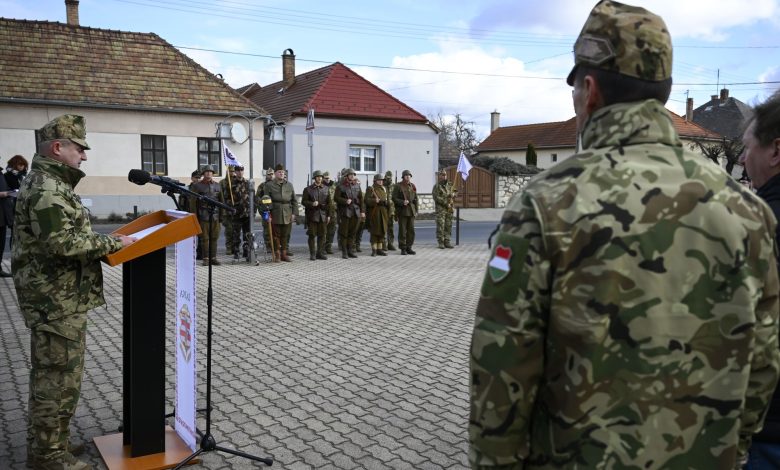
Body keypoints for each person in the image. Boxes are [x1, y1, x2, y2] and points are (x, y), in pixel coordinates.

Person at [469, 2, 780, 469]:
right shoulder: (747, 211)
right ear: (663, 90)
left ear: (589, 91)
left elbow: (502, 362)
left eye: (575, 88)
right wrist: (730, 450)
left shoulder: (544, 204)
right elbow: (764, 359)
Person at [12, 115, 134, 470]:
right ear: (57, 147)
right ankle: (48, 456)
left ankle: (52, 443)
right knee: (56, 379)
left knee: (58, 377)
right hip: (55, 301)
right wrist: (114, 243)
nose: (83, 155)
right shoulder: (47, 189)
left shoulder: (50, 182)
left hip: (59, 297)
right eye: (79, 148)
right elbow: (62, 243)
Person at [741, 90, 780, 470]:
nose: (741, 158)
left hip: (768, 433)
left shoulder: (757, 226)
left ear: (776, 150)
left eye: (747, 146)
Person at [262, 164, 298, 262]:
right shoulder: (269, 185)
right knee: (276, 235)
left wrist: (294, 213)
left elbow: (294, 200)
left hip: (287, 212)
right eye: (279, 172)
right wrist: (267, 215)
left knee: (285, 234)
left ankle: (284, 254)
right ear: (275, 173)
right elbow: (265, 201)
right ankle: (277, 253)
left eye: (283, 172)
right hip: (275, 212)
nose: (281, 173)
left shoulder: (289, 185)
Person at [190, 165, 223, 266]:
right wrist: (195, 217)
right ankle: (205, 258)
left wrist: (222, 216)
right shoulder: (197, 186)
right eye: (207, 171)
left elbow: (221, 202)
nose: (209, 173)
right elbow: (193, 203)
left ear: (213, 173)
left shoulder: (218, 186)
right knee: (204, 238)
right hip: (203, 216)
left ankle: (213, 258)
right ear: (203, 173)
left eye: (211, 172)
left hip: (215, 216)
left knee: (214, 238)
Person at [301, 170, 332, 260]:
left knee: (322, 235)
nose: (319, 178)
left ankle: (320, 253)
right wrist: (312, 203)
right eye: (318, 177)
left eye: (321, 177)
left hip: (323, 215)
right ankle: (312, 253)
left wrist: (329, 215)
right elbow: (304, 201)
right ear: (314, 178)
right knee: (312, 235)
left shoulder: (326, 189)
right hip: (312, 215)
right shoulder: (308, 189)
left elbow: (329, 203)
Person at [334, 167, 364, 259]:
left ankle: (350, 250)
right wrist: (345, 201)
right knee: (344, 233)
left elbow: (361, 199)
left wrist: (362, 211)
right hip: (345, 212)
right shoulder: (341, 186)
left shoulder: (357, 186)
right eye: (350, 174)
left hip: (355, 212)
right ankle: (344, 251)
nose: (352, 176)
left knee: (353, 232)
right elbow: (336, 198)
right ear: (346, 176)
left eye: (353, 175)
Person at [223, 165, 251, 259]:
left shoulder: (247, 183)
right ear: (235, 172)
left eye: (241, 170)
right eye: (238, 170)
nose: (240, 172)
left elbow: (253, 197)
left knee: (247, 234)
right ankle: (236, 251)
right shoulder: (231, 184)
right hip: (236, 213)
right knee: (236, 234)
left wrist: (253, 210)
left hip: (246, 212)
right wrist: (231, 209)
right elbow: (226, 198)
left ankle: (246, 251)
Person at [391, 169, 418, 255]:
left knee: (411, 231)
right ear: (403, 177)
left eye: (409, 175)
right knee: (402, 231)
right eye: (406, 175)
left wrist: (416, 210)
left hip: (411, 211)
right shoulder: (398, 186)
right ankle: (403, 248)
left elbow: (415, 199)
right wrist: (402, 202)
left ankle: (409, 247)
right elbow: (394, 198)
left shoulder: (412, 186)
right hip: (402, 211)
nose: (408, 177)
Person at [364, 173, 390, 256]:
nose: (381, 181)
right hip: (375, 213)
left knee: (382, 231)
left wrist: (387, 204)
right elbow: (366, 200)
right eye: (379, 180)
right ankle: (374, 250)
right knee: (375, 232)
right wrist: (374, 201)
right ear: (375, 181)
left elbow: (387, 200)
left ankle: (379, 249)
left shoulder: (384, 189)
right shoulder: (371, 189)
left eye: (382, 180)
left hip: (383, 212)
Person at [179, 169, 202, 259]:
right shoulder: (186, 190)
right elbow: (181, 204)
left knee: (201, 236)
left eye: (199, 178)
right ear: (192, 178)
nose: (198, 179)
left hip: (200, 215)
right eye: (196, 178)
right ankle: (187, 253)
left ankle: (200, 253)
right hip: (188, 215)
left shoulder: (202, 189)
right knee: (188, 237)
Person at [432, 169, 456, 249]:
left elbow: (456, 192)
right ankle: (441, 242)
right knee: (441, 226)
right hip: (441, 210)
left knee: (448, 225)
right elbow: (436, 197)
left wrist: (453, 194)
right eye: (442, 175)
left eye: (445, 175)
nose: (444, 176)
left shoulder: (450, 184)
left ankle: (447, 241)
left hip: (449, 209)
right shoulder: (437, 186)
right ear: (439, 176)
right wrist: (446, 203)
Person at [255, 167, 275, 254]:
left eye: (272, 174)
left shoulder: (276, 185)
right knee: (267, 230)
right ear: (266, 175)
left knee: (276, 230)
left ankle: (276, 246)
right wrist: (262, 206)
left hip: (275, 211)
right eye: (268, 174)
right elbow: (257, 198)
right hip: (265, 211)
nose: (270, 176)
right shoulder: (262, 186)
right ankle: (268, 246)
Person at [0, 161, 14, 276]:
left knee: (1, 243)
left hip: (3, 215)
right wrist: (2, 194)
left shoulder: (1, 173)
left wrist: (10, 192)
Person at [219, 166, 237, 255]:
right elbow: (221, 197)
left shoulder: (237, 181)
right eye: (230, 171)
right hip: (226, 209)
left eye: (233, 171)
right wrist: (222, 210)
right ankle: (229, 247)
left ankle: (235, 247)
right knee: (229, 230)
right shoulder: (222, 183)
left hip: (236, 209)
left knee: (236, 230)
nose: (232, 173)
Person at [323, 171, 338, 254]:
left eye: (328, 178)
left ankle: (328, 247)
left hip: (333, 210)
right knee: (323, 230)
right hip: (324, 210)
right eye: (325, 178)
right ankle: (322, 247)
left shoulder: (334, 186)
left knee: (332, 230)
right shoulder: (321, 186)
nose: (327, 180)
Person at [383, 170, 396, 251]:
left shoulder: (394, 186)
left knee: (391, 228)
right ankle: (384, 244)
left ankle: (390, 243)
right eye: (387, 178)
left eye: (390, 178)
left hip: (391, 210)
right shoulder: (382, 186)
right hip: (384, 209)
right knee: (383, 228)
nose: (388, 179)